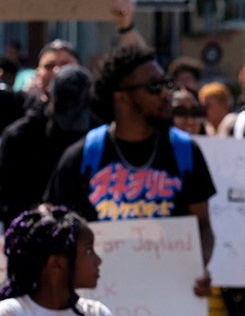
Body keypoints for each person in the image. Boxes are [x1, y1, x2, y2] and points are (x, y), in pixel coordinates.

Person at [43, 44, 215, 297]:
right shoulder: (82, 157)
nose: (166, 93)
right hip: (101, 299)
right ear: (121, 96)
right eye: (154, 86)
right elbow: (55, 227)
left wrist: (197, 267)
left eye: (165, 82)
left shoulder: (185, 151)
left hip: (169, 299)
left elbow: (203, 226)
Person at [0, 65, 97, 226]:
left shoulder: (96, 137)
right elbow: (7, 200)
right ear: (48, 97)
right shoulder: (19, 137)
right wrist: (34, 213)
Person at [0, 204, 111, 316]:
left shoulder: (97, 312)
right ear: (56, 263)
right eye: (88, 251)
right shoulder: (10, 312)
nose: (98, 260)